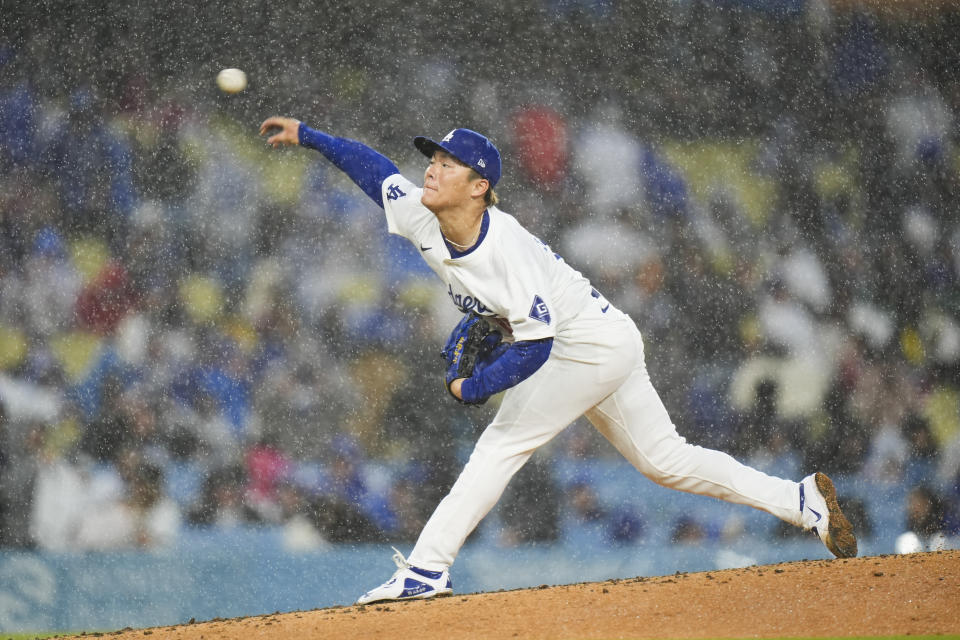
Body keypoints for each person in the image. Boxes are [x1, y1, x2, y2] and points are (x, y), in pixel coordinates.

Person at [259, 116, 857, 605]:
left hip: (582, 346)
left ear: (479, 186)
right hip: (607, 338)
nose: (431, 167)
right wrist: (309, 135)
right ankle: (799, 501)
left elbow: (538, 346)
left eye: (446, 162)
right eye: (433, 158)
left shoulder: (503, 251)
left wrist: (476, 388)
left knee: (500, 444)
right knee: (665, 461)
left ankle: (425, 571)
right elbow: (373, 169)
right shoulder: (422, 211)